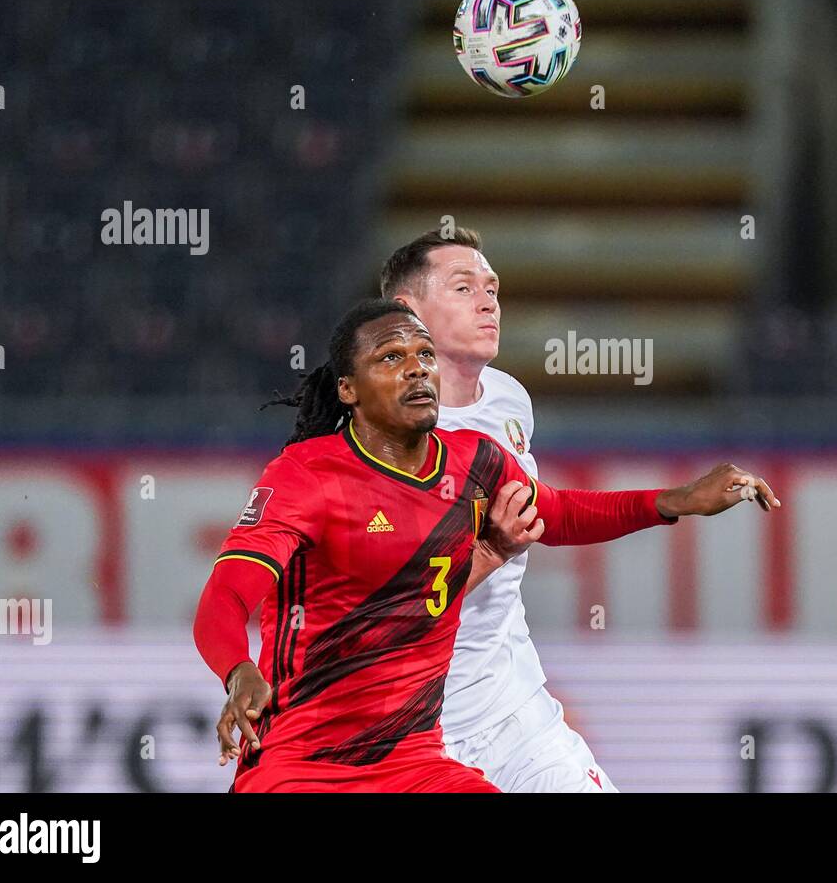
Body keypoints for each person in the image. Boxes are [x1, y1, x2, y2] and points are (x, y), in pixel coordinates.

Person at [195, 297, 779, 791]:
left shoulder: (475, 460)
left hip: (414, 762)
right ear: (348, 389)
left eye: (424, 355)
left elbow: (558, 512)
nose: (417, 369)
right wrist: (239, 671)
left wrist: (675, 500)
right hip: (302, 763)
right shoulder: (306, 475)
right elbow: (223, 600)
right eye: (391, 358)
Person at [378, 227, 780, 792]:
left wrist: (674, 501)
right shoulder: (374, 442)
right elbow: (380, 607)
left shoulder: (508, 400)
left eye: (492, 287)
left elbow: (552, 513)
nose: (488, 300)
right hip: (409, 730)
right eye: (463, 287)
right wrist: (489, 551)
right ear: (406, 311)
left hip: (513, 711)